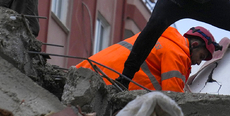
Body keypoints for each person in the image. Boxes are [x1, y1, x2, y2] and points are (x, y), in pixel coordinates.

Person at [78, 26, 220, 92]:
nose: (197, 63)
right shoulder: (177, 54)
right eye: (200, 56)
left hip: (84, 73)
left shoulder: (159, 37)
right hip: (105, 86)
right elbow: (173, 97)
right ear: (194, 44)